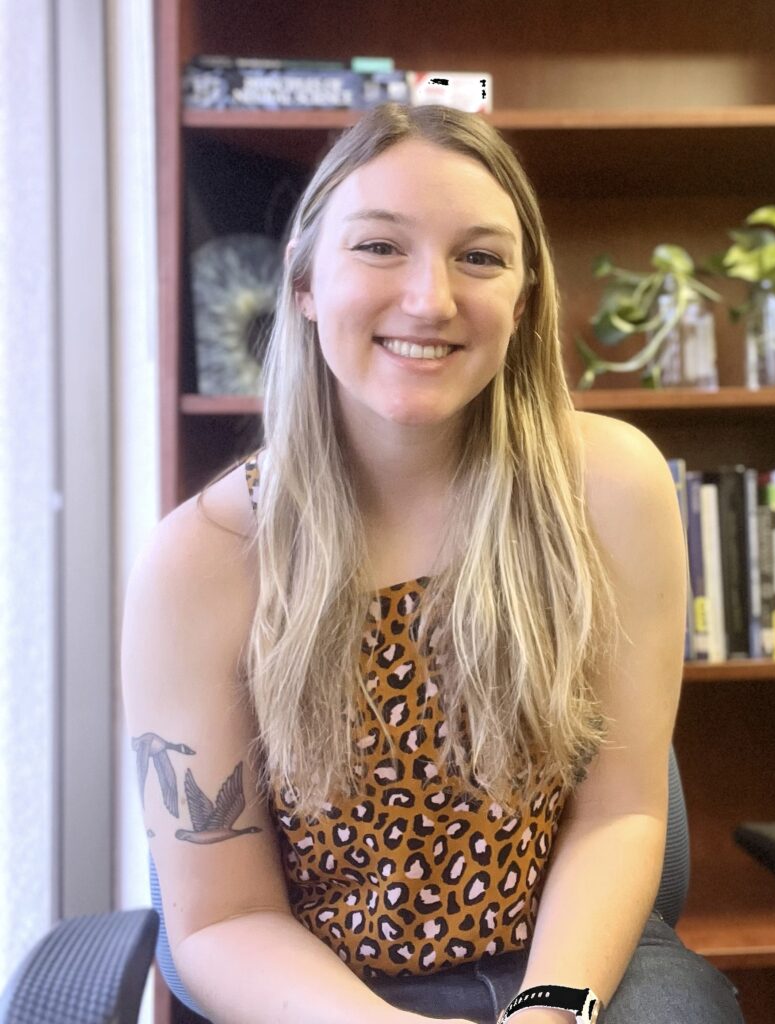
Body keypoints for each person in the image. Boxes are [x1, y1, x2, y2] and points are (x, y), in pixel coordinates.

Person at [121, 102, 743, 1024]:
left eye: (480, 256)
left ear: (524, 300)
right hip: (321, 989)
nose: (430, 299)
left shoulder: (612, 487)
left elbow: (620, 813)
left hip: (575, 962)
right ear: (302, 283)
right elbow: (218, 920)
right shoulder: (200, 560)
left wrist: (547, 1011)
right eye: (379, 247)